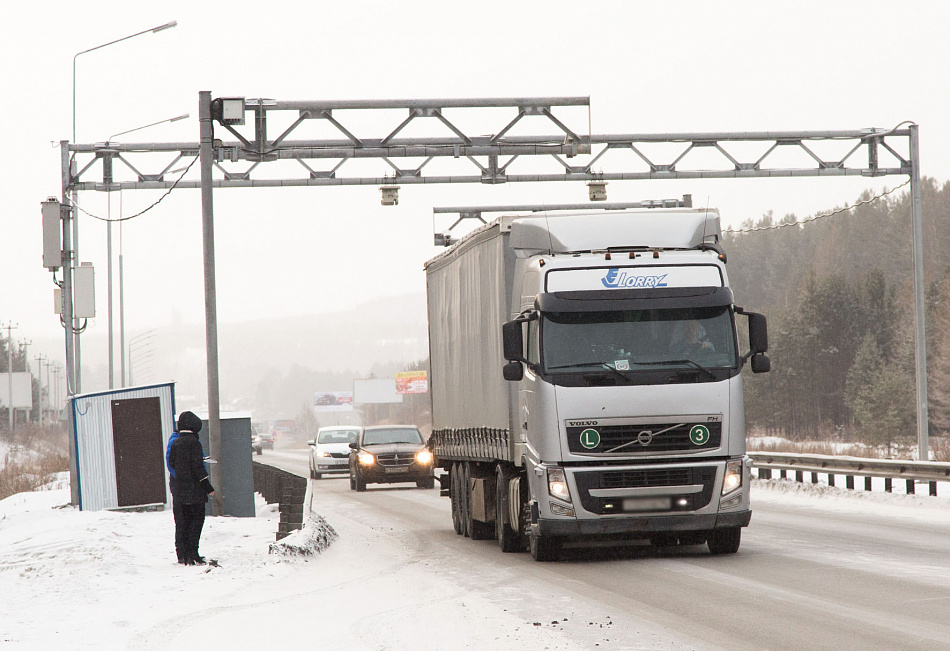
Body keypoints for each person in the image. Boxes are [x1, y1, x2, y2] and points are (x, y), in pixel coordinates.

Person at [167, 411, 214, 565]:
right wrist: (207, 487)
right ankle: (193, 552)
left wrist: (181, 476)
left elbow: (171, 462)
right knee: (196, 521)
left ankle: (183, 554)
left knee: (182, 523)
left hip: (179, 490)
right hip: (194, 490)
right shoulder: (194, 443)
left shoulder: (175, 442)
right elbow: (198, 467)